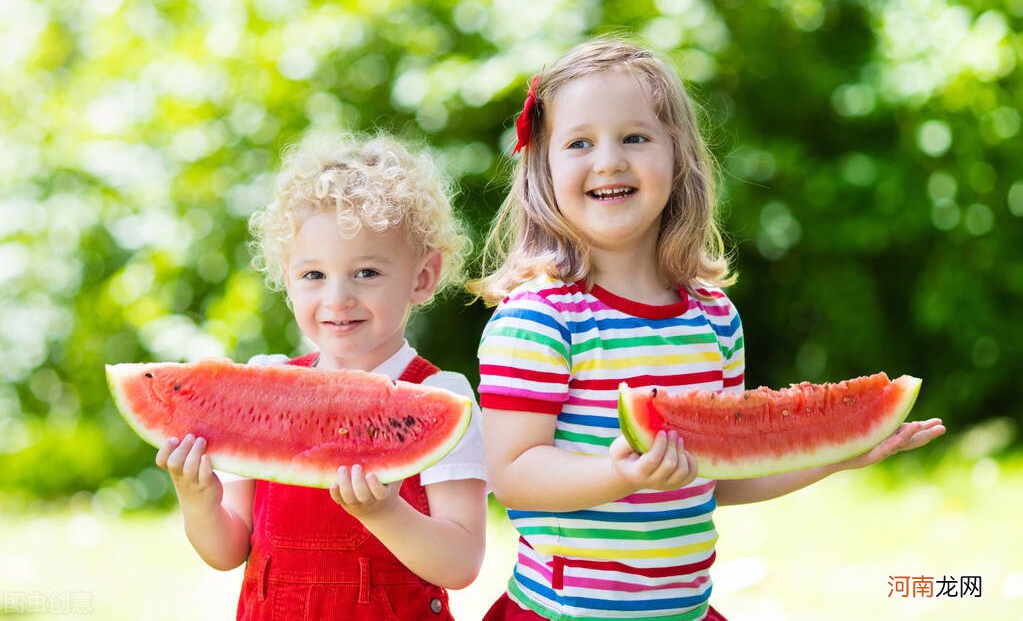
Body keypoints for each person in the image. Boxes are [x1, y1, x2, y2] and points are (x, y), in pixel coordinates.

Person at [468, 39, 945, 621]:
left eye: (635, 137)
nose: (610, 160)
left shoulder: (713, 316)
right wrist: (620, 473)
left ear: (679, 158)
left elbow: (726, 471)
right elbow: (513, 474)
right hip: (565, 611)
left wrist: (839, 454)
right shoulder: (538, 318)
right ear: (543, 168)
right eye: (579, 143)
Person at [156, 133, 488, 620]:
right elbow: (226, 552)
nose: (337, 299)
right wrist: (199, 502)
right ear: (287, 278)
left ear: (422, 276)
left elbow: (460, 563)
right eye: (313, 275)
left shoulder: (441, 398)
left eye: (367, 273)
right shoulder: (264, 386)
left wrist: (385, 514)